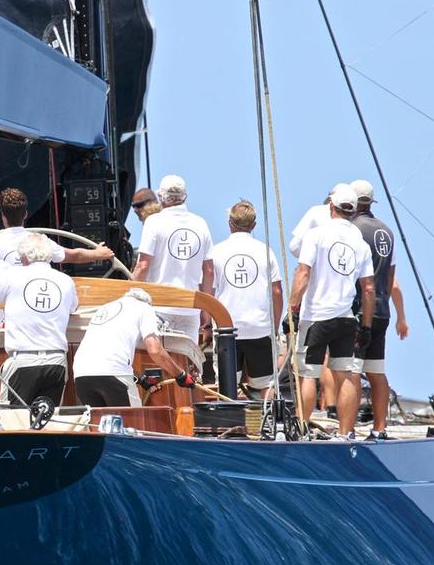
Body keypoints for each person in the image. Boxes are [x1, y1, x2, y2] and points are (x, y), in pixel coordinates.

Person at [288, 185, 375, 439]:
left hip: (315, 316)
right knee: (345, 374)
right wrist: (366, 326)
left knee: (308, 374)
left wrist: (293, 308)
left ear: (331, 206)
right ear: (354, 211)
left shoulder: (316, 236)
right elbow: (368, 289)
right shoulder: (360, 243)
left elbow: (303, 274)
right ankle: (346, 432)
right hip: (346, 318)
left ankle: (302, 430)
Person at [0, 233, 78, 406]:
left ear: (25, 256)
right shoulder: (66, 281)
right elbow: (72, 309)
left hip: (23, 361)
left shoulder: (12, 276)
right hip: (56, 362)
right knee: (49, 419)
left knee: (13, 421)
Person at [349, 179, 408, 441]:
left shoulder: (352, 230)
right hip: (383, 310)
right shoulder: (387, 232)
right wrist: (401, 317)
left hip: (361, 309)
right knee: (376, 370)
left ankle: (346, 429)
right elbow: (391, 279)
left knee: (349, 370)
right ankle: (379, 428)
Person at [72, 288, 196, 407]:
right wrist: (181, 375)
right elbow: (155, 350)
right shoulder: (145, 308)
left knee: (100, 426)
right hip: (114, 375)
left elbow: (107, 357)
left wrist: (141, 379)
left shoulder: (105, 308)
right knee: (133, 425)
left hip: (81, 375)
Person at [286, 183, 349, 413]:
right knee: (338, 364)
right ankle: (332, 408)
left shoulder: (315, 217)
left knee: (310, 368)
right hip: (344, 305)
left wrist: (291, 308)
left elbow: (294, 248)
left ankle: (305, 420)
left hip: (315, 300)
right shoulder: (353, 232)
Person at [210, 201, 283, 399]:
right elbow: (277, 292)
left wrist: (206, 324)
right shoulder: (265, 251)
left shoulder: (216, 251)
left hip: (227, 328)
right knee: (266, 384)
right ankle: (268, 425)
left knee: (227, 385)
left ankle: (231, 425)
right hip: (259, 328)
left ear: (230, 223)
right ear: (254, 225)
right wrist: (274, 328)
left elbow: (209, 290)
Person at [131, 174, 215, 339]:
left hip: (160, 306)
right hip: (190, 307)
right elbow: (209, 271)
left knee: (162, 357)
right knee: (186, 360)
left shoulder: (153, 222)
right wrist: (207, 310)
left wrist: (129, 297)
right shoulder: (200, 223)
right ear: (185, 197)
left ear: (161, 197)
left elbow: (142, 267)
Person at [0, 188, 113, 266]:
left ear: (3, 216)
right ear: (26, 214)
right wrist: (99, 253)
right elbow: (74, 255)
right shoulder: (42, 242)